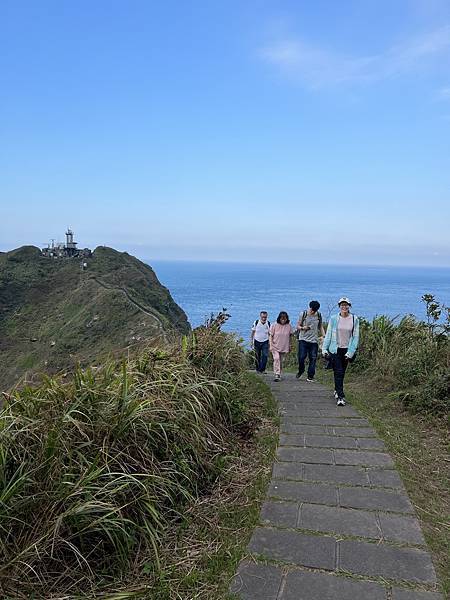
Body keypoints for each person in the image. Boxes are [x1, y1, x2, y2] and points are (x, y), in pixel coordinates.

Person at [322, 297, 359, 406]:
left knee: (341, 373)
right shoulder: (334, 319)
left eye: (346, 305)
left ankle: (336, 389)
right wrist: (324, 349)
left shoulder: (354, 319)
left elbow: (355, 337)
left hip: (347, 350)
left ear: (349, 306)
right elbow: (328, 335)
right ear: (339, 307)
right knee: (338, 372)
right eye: (342, 305)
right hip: (335, 350)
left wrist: (350, 352)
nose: (344, 307)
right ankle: (341, 397)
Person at [296, 300, 325, 382]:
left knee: (313, 358)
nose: (312, 312)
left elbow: (320, 326)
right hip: (303, 339)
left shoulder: (318, 315)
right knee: (301, 357)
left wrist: (324, 336)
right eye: (312, 310)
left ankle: (310, 376)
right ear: (310, 307)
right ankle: (301, 370)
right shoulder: (303, 314)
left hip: (314, 341)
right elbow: (298, 326)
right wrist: (302, 328)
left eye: (314, 310)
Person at [269, 311, 294, 381]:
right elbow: (270, 335)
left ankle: (279, 373)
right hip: (275, 346)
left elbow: (290, 336)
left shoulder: (288, 326)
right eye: (281, 319)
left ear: (286, 319)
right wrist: (270, 345)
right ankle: (277, 374)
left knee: (281, 361)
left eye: (284, 319)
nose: (283, 320)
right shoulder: (274, 325)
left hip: (284, 346)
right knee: (276, 359)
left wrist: (290, 345)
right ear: (279, 318)